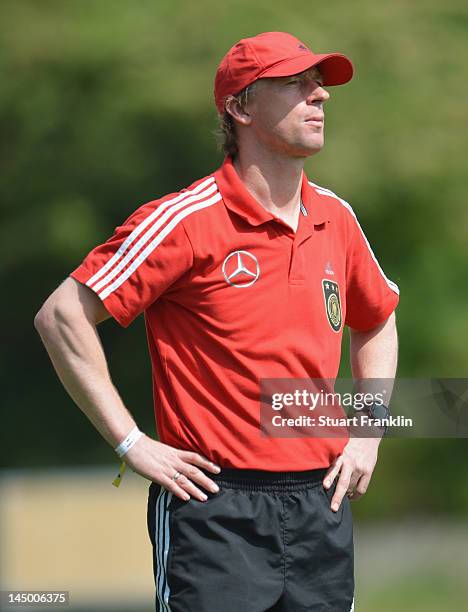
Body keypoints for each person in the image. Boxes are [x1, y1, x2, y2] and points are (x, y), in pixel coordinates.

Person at [35, 31, 399, 612]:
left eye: (320, 85)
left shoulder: (337, 217)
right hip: (214, 507)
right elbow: (61, 317)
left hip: (320, 504)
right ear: (240, 107)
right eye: (295, 84)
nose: (320, 97)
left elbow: (378, 321)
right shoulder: (182, 220)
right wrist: (131, 443)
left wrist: (367, 434)